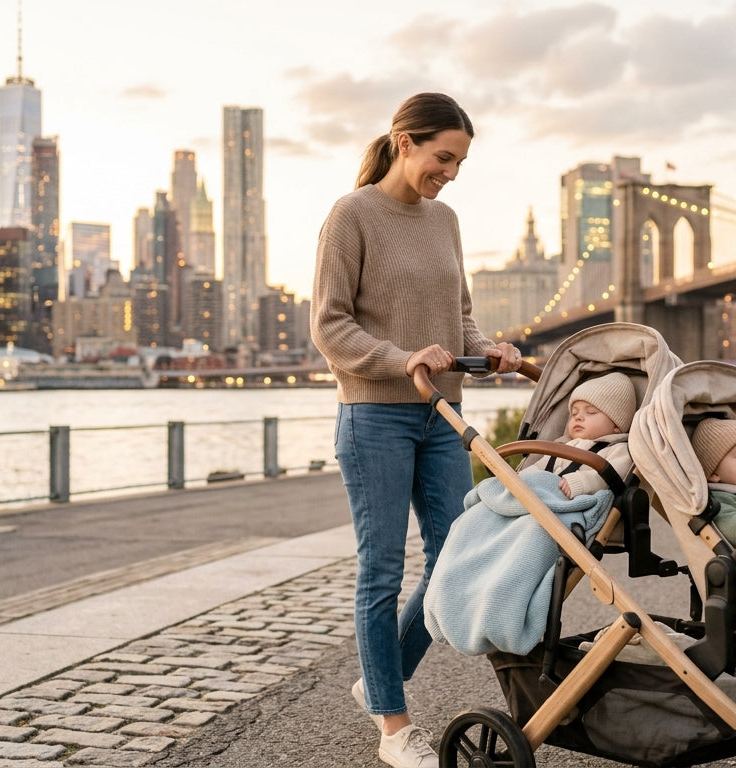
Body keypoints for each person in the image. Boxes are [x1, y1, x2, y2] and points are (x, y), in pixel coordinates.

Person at [310, 92, 523, 768]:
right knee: (380, 571)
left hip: (442, 416)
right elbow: (330, 324)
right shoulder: (351, 216)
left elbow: (457, 317)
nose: (451, 172)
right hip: (373, 413)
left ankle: (378, 680)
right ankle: (395, 729)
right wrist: (403, 359)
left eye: (459, 161)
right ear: (405, 142)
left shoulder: (446, 220)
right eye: (443, 157)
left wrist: (488, 351)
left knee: (454, 556)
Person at [521, 372, 636, 498]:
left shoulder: (618, 450)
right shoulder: (563, 445)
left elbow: (614, 476)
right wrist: (517, 479)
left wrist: (581, 482)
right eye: (574, 413)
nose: (578, 417)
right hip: (538, 499)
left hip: (569, 507)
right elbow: (538, 467)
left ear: (616, 425)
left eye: (591, 412)